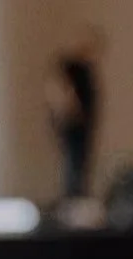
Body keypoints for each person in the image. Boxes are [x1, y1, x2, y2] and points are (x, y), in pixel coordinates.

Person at [45, 26, 105, 201]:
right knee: (73, 163)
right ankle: (71, 198)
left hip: (83, 125)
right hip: (72, 125)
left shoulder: (85, 70)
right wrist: (70, 110)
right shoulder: (69, 67)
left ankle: (78, 197)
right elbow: (57, 92)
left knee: (82, 163)